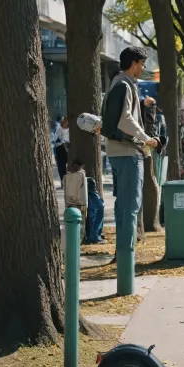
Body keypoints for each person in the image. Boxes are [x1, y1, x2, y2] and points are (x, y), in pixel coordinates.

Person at [101, 47, 159, 267]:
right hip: (127, 152)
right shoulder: (124, 85)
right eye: (142, 64)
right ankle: (126, 259)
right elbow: (125, 118)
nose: (143, 68)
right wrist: (146, 138)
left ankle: (123, 253)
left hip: (118, 151)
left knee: (123, 205)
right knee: (131, 204)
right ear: (134, 63)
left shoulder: (118, 84)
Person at [76, 113, 106, 244]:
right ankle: (93, 235)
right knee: (96, 206)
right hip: (86, 176)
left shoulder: (87, 134)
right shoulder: (88, 135)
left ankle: (95, 234)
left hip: (87, 176)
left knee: (97, 206)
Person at [53, 116, 71, 182]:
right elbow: (55, 139)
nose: (64, 122)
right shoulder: (59, 129)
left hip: (69, 148)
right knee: (61, 166)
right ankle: (63, 180)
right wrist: (62, 142)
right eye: (63, 121)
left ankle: (69, 180)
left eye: (66, 121)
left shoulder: (70, 129)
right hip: (60, 148)